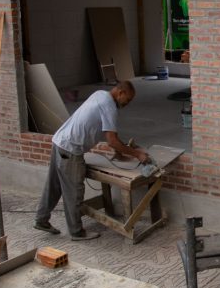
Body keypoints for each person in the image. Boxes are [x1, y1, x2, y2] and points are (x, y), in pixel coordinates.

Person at [35, 80, 148, 239]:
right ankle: (76, 232)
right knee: (74, 193)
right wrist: (138, 154)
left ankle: (41, 219)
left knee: (53, 186)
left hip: (59, 142)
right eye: (127, 100)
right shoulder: (110, 107)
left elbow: (111, 136)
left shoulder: (100, 94)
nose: (127, 104)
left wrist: (120, 153)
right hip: (71, 150)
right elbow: (112, 140)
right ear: (120, 93)